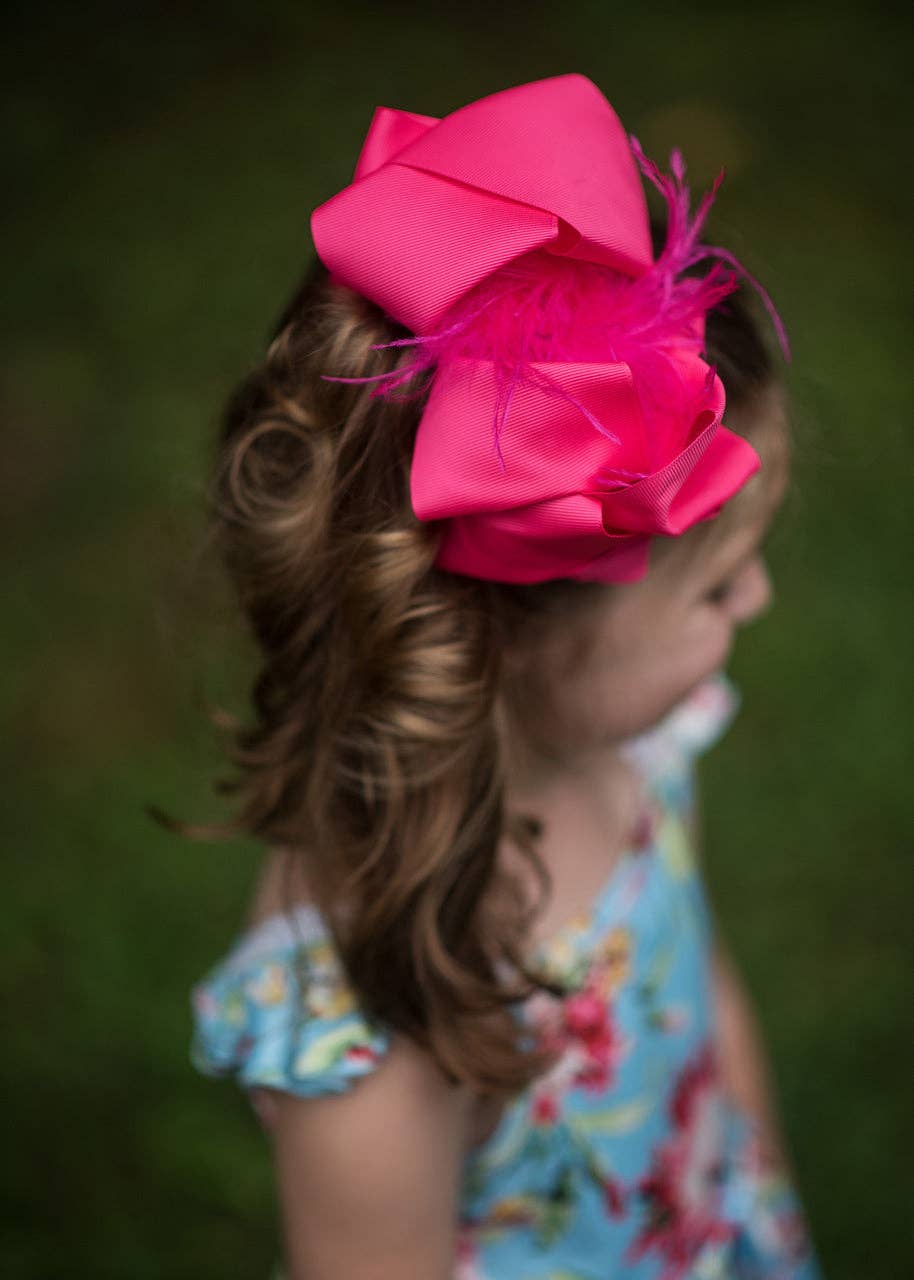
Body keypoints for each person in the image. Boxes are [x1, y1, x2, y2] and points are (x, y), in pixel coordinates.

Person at [187, 74, 824, 1279]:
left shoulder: (636, 736)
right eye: (718, 582)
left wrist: (764, 1193)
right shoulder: (378, 1010)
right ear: (510, 641)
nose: (758, 602)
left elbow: (698, 993)